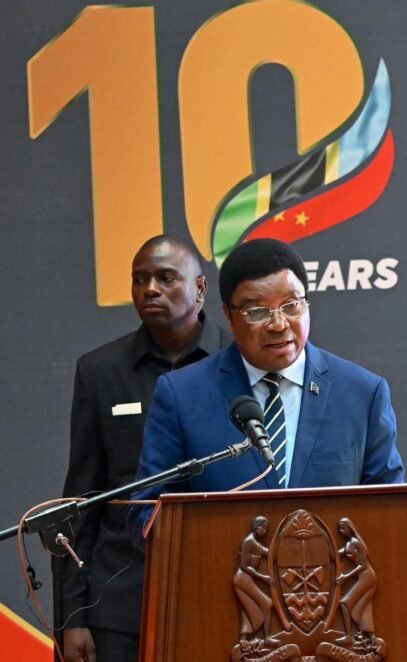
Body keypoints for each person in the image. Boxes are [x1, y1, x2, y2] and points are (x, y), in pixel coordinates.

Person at [131, 238, 404, 534]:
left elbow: (391, 512)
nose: (278, 324)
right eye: (257, 312)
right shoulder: (182, 395)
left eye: (291, 305)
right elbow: (147, 511)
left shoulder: (362, 393)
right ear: (229, 314)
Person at [57, 235, 232, 662]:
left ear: (200, 288)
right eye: (140, 279)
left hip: (227, 590)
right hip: (121, 602)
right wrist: (73, 615)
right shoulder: (100, 371)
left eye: (166, 278)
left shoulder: (241, 360)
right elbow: (82, 498)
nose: (150, 289)